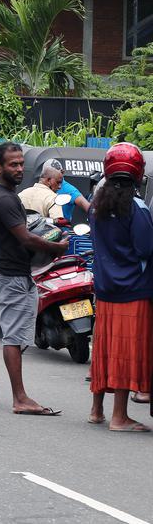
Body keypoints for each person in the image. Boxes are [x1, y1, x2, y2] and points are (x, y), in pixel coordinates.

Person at [0, 142, 68, 415]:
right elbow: (25, 237)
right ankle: (20, 398)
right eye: (12, 164)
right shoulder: (6, 199)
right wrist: (56, 248)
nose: (19, 169)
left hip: (0, 271)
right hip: (12, 276)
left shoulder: (0, 195)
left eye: (21, 163)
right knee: (12, 337)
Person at [87, 143, 153, 432]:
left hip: (105, 288)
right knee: (125, 352)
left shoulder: (95, 206)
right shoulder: (136, 208)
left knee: (103, 349)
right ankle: (120, 417)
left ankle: (97, 410)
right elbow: (145, 248)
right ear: (138, 173)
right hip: (133, 290)